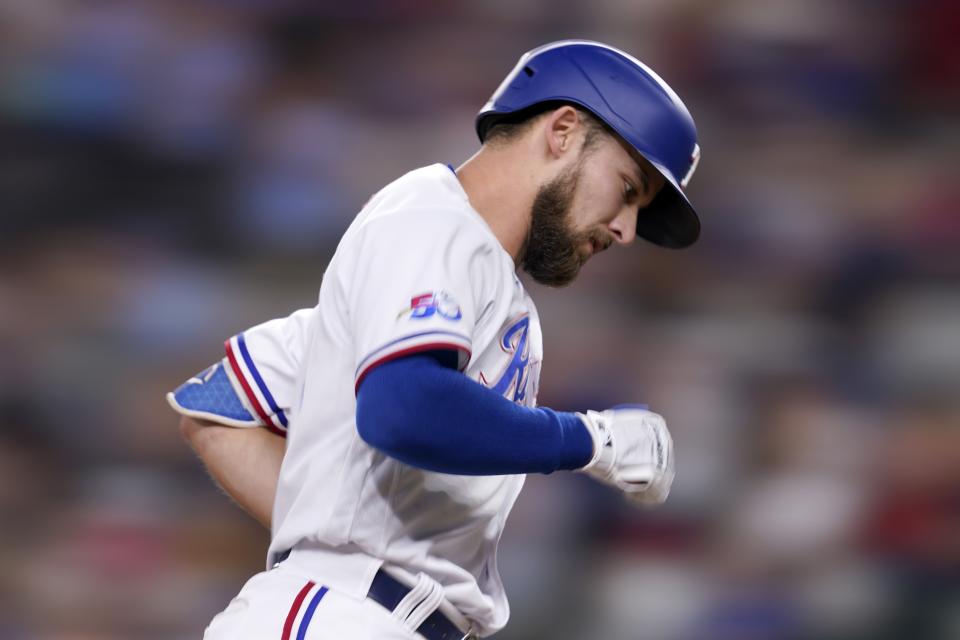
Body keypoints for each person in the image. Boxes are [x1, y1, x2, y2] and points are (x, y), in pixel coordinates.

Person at [168, 40, 702, 640]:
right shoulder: (430, 220)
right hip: (344, 617)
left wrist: (333, 521)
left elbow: (221, 405)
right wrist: (590, 440)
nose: (626, 229)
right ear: (562, 130)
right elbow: (406, 407)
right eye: (628, 189)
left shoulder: (466, 270)